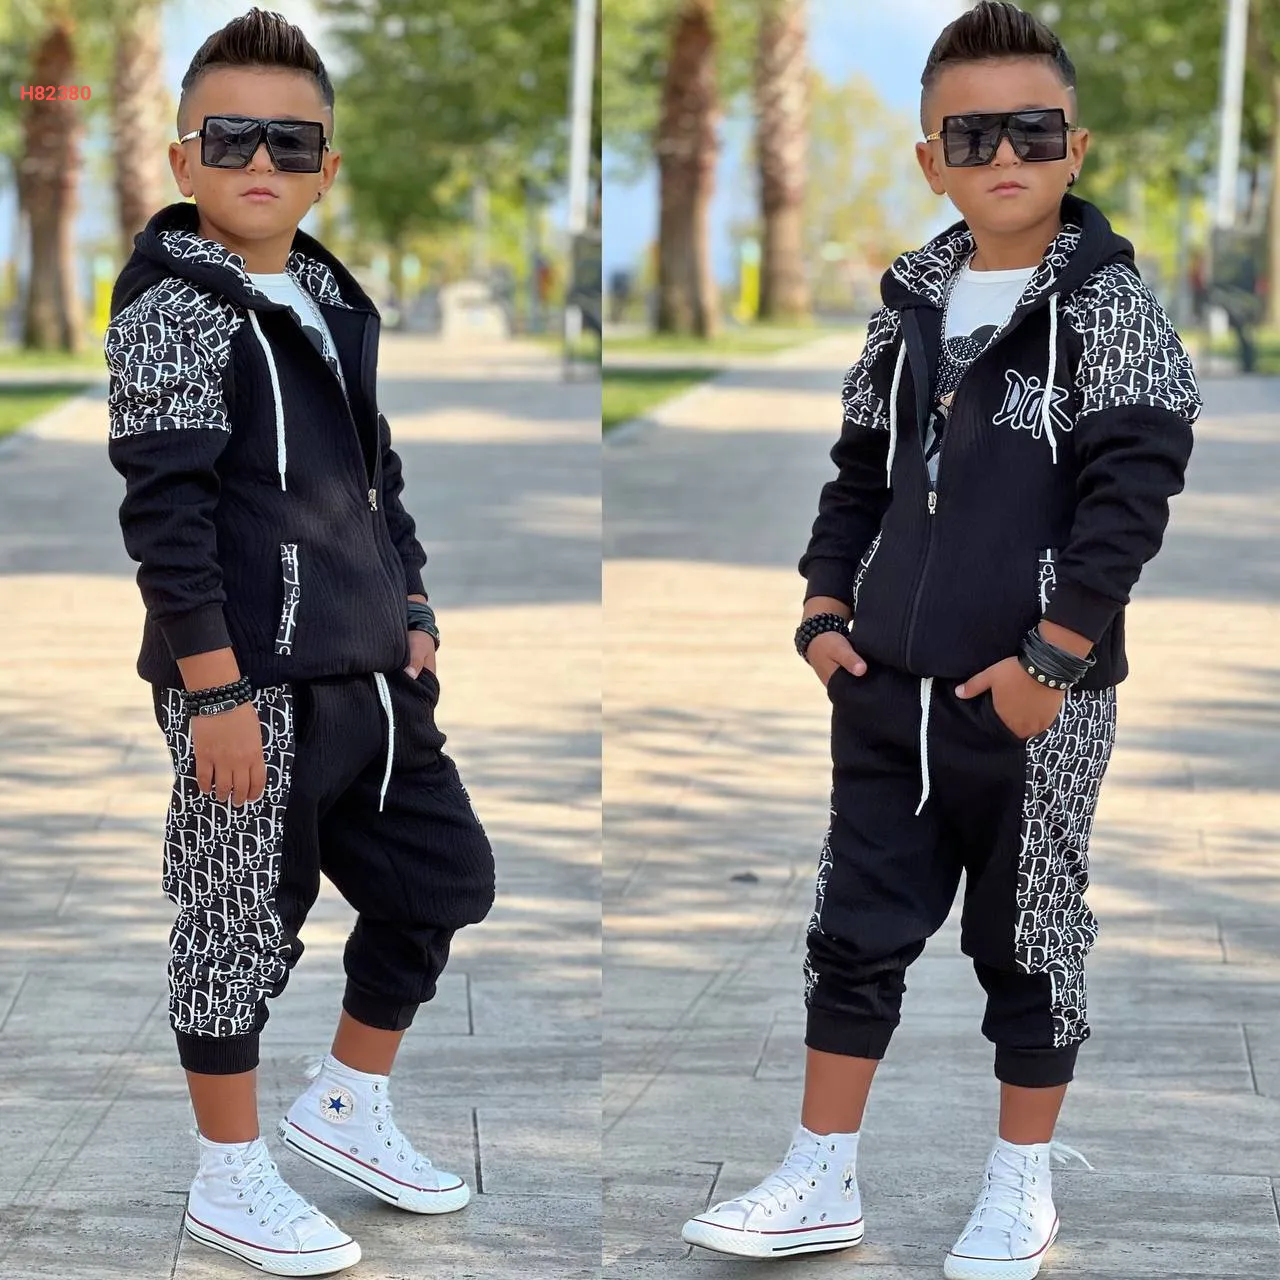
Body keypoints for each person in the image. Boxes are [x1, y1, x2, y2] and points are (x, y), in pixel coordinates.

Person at [681, 5, 1200, 1278]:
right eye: (971, 134)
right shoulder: (908, 302)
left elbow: (1129, 499)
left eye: (1031, 129)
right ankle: (818, 1172)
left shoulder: (1110, 309)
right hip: (883, 688)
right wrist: (821, 611)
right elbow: (858, 470)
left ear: (1074, 145)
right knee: (852, 925)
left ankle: (1018, 1185)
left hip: (1031, 698)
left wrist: (1052, 660)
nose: (1003, 153)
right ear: (930, 159)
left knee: (1029, 936)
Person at [104, 9, 495, 1275]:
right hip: (248, 684)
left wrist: (413, 606)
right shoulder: (174, 307)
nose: (260, 160)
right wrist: (213, 689)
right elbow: (164, 518)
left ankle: (344, 1101)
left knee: (442, 880)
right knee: (236, 925)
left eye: (290, 140)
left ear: (326, 165)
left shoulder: (324, 296)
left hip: (370, 671)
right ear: (184, 159)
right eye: (230, 137)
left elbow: (374, 474)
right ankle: (227, 1177)